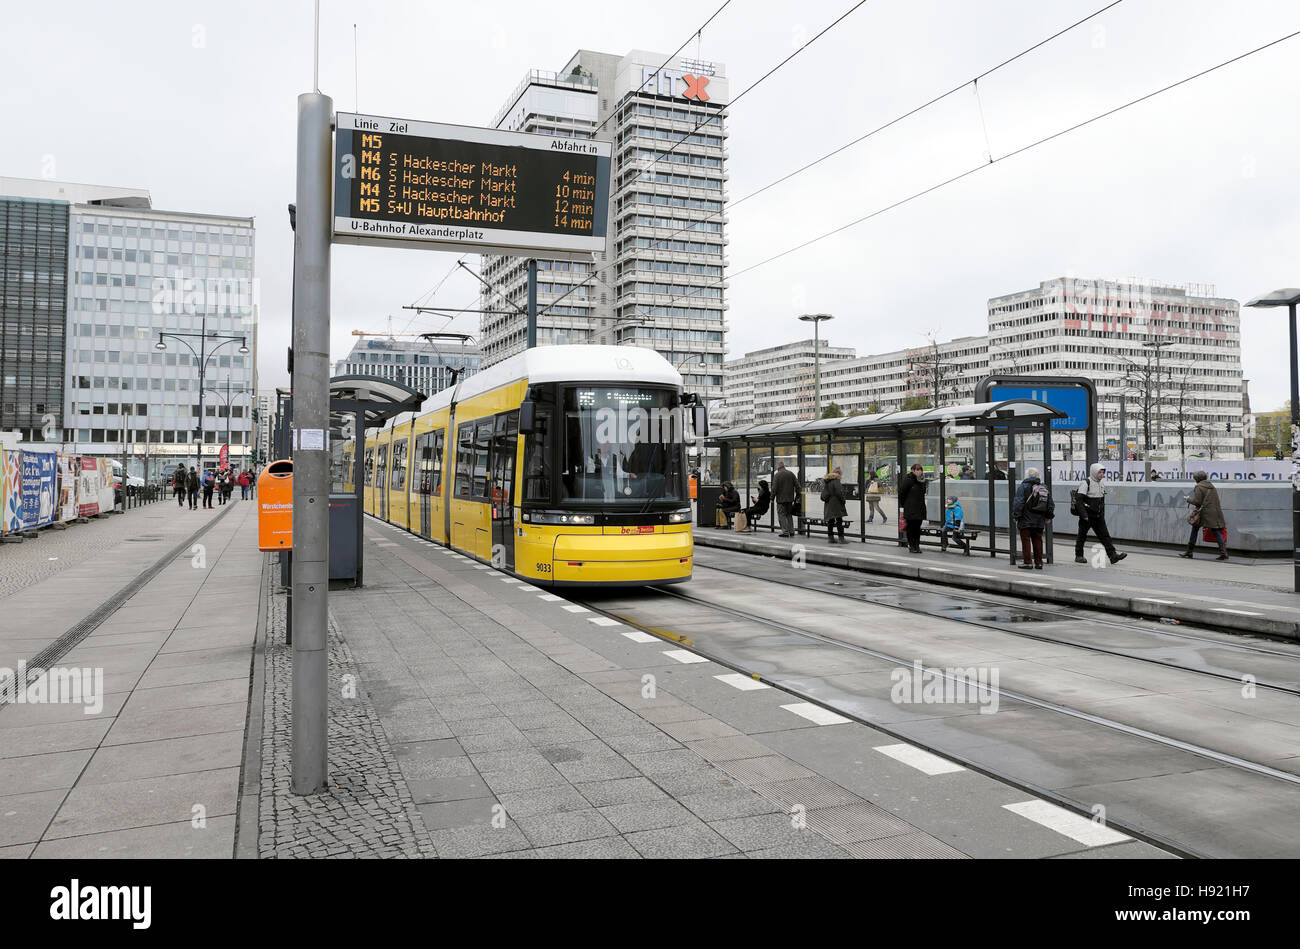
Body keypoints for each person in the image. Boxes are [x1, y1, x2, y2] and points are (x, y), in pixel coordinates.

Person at [1074, 462, 1127, 564]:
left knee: (1105, 536)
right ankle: (1079, 555)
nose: (1102, 474)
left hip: (1098, 515)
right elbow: (1079, 501)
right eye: (1099, 472)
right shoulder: (1086, 483)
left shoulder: (1101, 483)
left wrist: (1101, 513)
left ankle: (1113, 556)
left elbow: (1102, 500)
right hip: (1087, 515)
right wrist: (1084, 515)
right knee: (1082, 535)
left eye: (1103, 472)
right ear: (1094, 472)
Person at [1012, 467, 1054, 569]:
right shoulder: (1044, 487)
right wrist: (1048, 516)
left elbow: (1018, 503)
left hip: (1026, 519)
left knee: (1026, 540)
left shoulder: (1023, 487)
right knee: (1038, 540)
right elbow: (1050, 503)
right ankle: (1039, 563)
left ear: (1026, 476)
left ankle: (1028, 562)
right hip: (1039, 519)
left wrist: (1016, 516)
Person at [1180, 470, 1228, 561]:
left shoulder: (1199, 487)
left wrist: (1188, 499)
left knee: (1194, 530)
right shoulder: (1211, 486)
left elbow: (1197, 502)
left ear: (1197, 479)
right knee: (1216, 531)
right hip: (1214, 512)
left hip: (1204, 513)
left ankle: (1189, 552)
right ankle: (1224, 553)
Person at [898, 463, 928, 553]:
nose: (919, 471)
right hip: (910, 508)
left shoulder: (923, 481)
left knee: (917, 528)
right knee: (911, 528)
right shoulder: (908, 480)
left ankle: (917, 546)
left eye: (920, 469)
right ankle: (911, 546)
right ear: (913, 470)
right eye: (917, 470)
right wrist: (904, 505)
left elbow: (923, 493)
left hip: (920, 508)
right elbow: (901, 493)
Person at [821, 467, 848, 544]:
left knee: (831, 520)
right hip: (836, 503)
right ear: (838, 474)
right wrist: (843, 500)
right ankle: (841, 538)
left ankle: (830, 538)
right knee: (839, 520)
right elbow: (839, 492)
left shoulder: (828, 481)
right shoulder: (836, 481)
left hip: (828, 503)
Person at [772, 462, 799, 537]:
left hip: (781, 500)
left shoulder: (777, 475)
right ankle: (791, 531)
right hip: (790, 499)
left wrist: (772, 498)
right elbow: (798, 486)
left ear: (778, 467)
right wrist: (797, 496)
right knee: (789, 515)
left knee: (781, 515)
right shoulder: (791, 474)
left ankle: (785, 532)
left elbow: (774, 488)